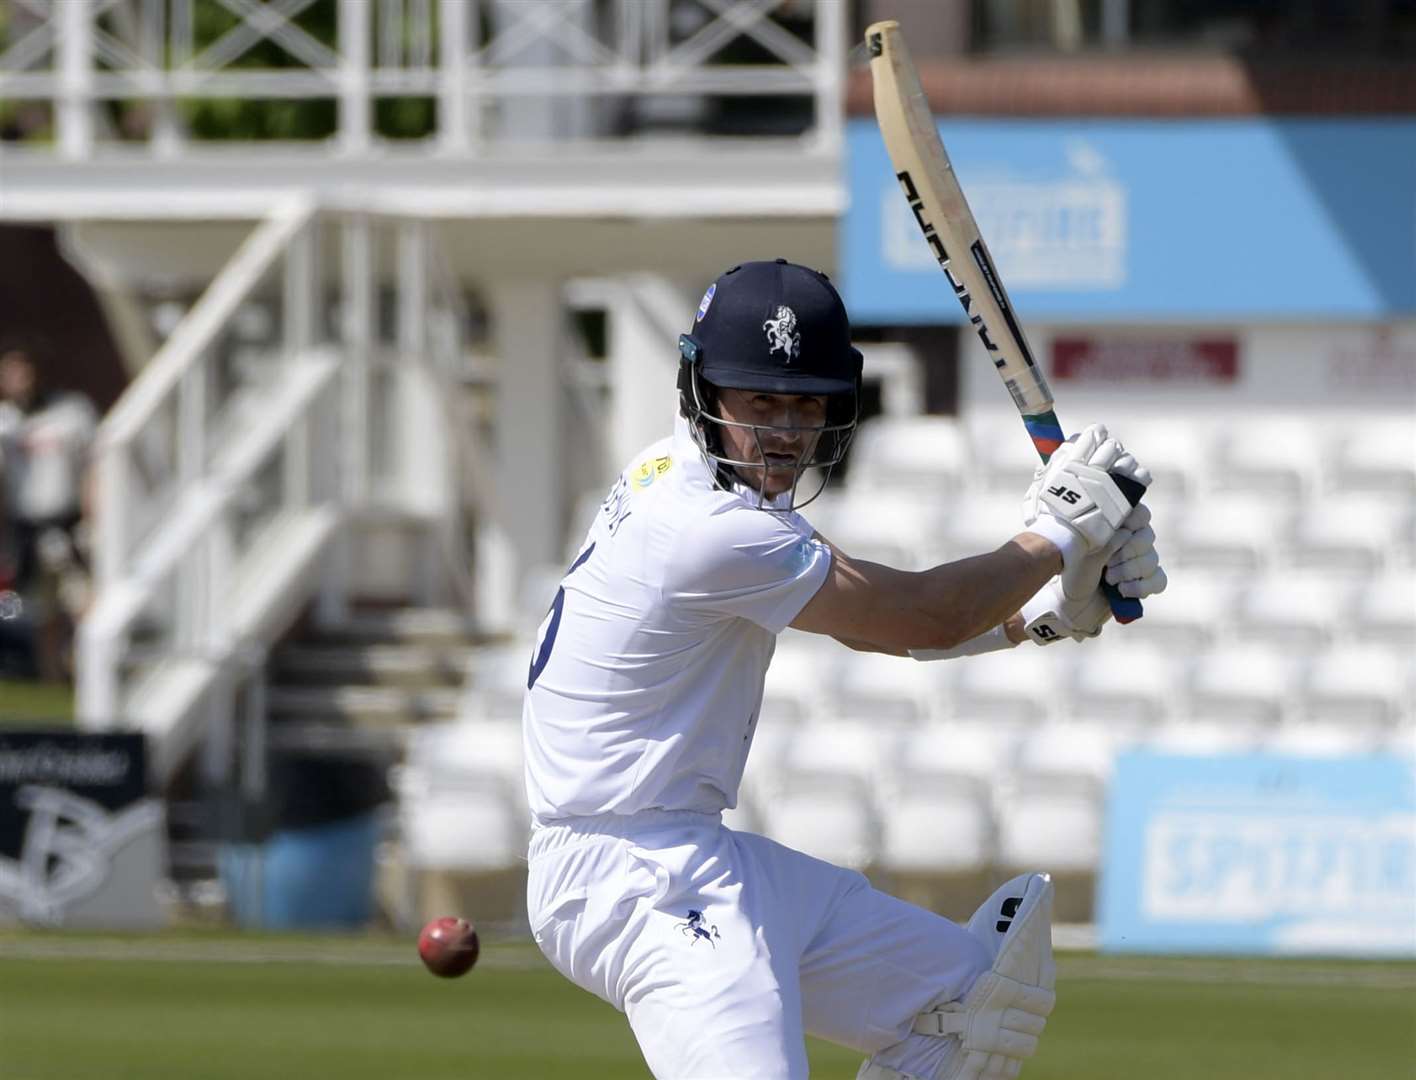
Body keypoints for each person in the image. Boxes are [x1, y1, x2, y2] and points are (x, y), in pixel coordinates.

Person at [522, 260, 1166, 1080]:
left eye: (805, 403)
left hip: (691, 852)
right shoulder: (707, 530)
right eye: (761, 401)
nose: (785, 430)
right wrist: (1064, 533)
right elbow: (921, 614)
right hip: (628, 877)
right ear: (703, 390)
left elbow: (887, 624)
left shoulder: (697, 482)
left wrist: (1040, 617)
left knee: (967, 1009)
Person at [0, 341, 97, 680]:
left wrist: (92, 518)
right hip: (27, 526)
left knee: (82, 601)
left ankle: (86, 669)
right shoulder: (6, 422)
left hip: (66, 521)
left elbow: (91, 469)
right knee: (40, 609)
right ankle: (50, 675)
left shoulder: (70, 413)